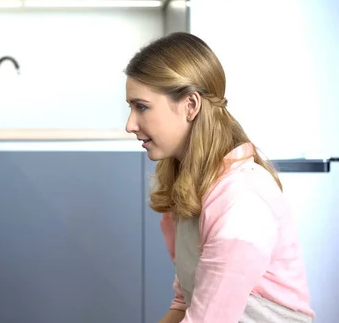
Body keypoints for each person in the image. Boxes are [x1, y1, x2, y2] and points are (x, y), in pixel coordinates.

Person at [124, 32, 315, 323]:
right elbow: (185, 301)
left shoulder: (242, 203)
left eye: (142, 107)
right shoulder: (192, 188)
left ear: (190, 105)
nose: (130, 125)